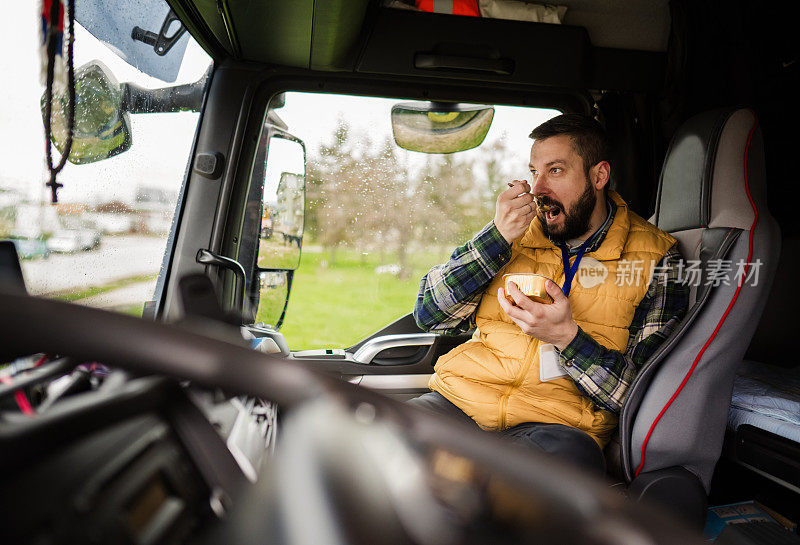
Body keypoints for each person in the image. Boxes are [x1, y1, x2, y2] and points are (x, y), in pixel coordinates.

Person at [411, 114, 689, 476]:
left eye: (555, 171)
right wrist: (495, 236)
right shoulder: (512, 233)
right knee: (373, 444)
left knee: (539, 478)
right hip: (457, 404)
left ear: (599, 176)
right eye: (533, 171)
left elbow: (638, 397)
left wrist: (566, 338)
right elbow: (430, 314)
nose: (537, 187)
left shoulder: (656, 258)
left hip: (555, 428)